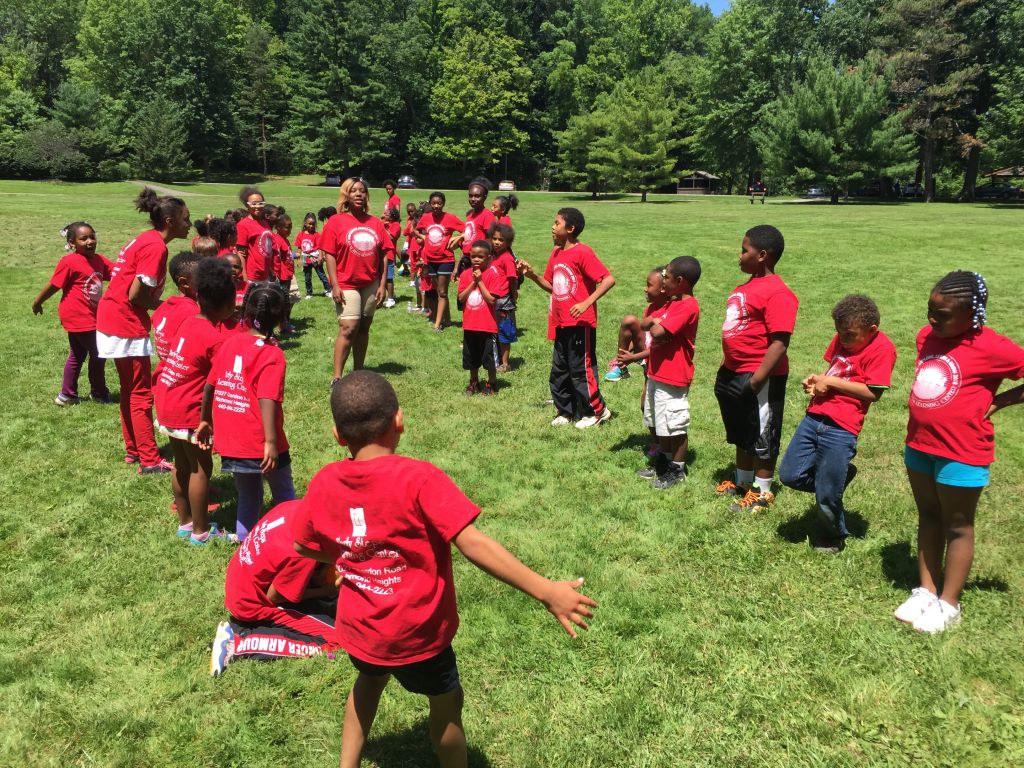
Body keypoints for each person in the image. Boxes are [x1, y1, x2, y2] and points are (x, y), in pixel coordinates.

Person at [291, 370, 597, 768]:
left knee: (368, 682)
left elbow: (303, 544)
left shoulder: (325, 481)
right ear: (399, 420)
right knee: (447, 703)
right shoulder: (418, 479)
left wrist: (352, 554)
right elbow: (473, 543)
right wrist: (546, 590)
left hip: (362, 630)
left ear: (337, 435)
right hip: (418, 634)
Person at [895, 271, 1024, 633]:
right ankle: (926, 590)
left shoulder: (993, 347)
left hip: (962, 450)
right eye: (930, 310)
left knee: (958, 525)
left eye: (943, 314)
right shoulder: (927, 336)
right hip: (920, 444)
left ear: (973, 315)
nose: (932, 319)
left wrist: (1000, 401)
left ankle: (949, 603)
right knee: (928, 515)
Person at [778, 295, 897, 554]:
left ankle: (831, 537)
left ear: (872, 330)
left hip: (842, 427)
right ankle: (836, 480)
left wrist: (830, 383)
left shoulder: (882, 349)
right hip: (815, 416)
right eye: (839, 333)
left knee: (827, 492)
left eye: (849, 335)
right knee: (790, 474)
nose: (842, 339)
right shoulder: (843, 337)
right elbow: (834, 371)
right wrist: (817, 381)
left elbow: (873, 393)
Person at [96, 187, 191, 473]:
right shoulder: (156, 247)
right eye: (186, 219)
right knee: (140, 393)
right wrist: (169, 306)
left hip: (112, 317)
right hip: (124, 321)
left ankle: (134, 450)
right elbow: (136, 295)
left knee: (129, 390)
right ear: (170, 222)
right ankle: (150, 460)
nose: (189, 224)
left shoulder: (146, 238)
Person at [198, 282, 296, 541]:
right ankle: (292, 542)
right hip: (262, 441)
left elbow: (209, 385)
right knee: (284, 492)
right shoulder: (273, 355)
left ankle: (245, 544)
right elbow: (267, 397)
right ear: (282, 317)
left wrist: (205, 420)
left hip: (233, 441)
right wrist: (271, 442)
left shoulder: (230, 343)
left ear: (247, 310)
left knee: (248, 494)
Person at [713, 224, 798, 512]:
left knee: (763, 432)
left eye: (744, 250)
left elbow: (779, 342)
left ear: (762, 255)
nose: (739, 255)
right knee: (742, 429)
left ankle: (762, 492)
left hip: (760, 376)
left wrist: (757, 380)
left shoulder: (778, 292)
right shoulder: (745, 287)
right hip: (733, 371)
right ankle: (743, 481)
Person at [154, 257, 238, 544]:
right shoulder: (215, 339)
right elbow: (219, 382)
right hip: (190, 410)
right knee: (201, 468)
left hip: (167, 402)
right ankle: (201, 532)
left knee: (181, 464)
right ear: (228, 305)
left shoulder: (189, 321)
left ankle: (186, 522)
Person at [210, 499, 338, 676]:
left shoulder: (295, 506)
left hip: (240, 580)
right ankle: (238, 642)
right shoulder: (305, 550)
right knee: (336, 638)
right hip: (251, 603)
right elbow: (275, 596)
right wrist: (330, 590)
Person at [520, 208, 615, 429]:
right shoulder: (556, 253)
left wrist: (586, 303)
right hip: (561, 320)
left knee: (581, 368)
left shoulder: (583, 252)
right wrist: (532, 275)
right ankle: (566, 411)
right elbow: (552, 286)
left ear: (570, 229)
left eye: (557, 223)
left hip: (580, 323)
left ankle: (597, 411)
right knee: (560, 369)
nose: (552, 227)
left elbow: (608, 280)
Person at [635, 257, 701, 490]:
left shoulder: (688, 306)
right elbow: (645, 325)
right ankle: (663, 462)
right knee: (659, 422)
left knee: (675, 425)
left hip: (674, 375)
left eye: (667, 276)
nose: (663, 280)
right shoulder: (672, 304)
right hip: (657, 372)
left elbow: (658, 332)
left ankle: (677, 470)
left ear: (680, 281)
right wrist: (656, 320)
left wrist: (656, 322)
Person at [32, 222, 114, 406]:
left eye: (92, 237)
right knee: (99, 352)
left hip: (91, 316)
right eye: (83, 239)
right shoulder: (70, 262)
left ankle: (67, 395)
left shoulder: (99, 260)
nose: (90, 241)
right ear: (72, 243)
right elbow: (54, 285)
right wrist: (38, 301)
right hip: (78, 316)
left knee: (77, 354)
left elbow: (117, 272)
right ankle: (99, 392)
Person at [320, 178, 393, 384]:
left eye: (362, 191)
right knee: (349, 327)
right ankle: (337, 377)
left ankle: (359, 371)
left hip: (370, 283)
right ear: (346, 195)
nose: (359, 194)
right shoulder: (336, 221)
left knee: (363, 328)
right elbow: (329, 254)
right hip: (346, 283)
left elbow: (384, 254)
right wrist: (334, 284)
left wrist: (381, 284)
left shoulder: (375, 223)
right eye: (353, 191)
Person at [457, 241, 504, 395]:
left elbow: (491, 300)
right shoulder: (465, 274)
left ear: (489, 258)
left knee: (489, 357)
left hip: (487, 326)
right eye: (473, 256)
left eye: (480, 257)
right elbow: (461, 298)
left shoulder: (492, 274)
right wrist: (473, 282)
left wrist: (480, 281)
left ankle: (492, 382)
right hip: (470, 324)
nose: (476, 259)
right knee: (471, 357)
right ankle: (474, 381)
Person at [606, 267, 667, 383]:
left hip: (660, 361)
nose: (645, 289)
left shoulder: (669, 312)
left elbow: (662, 348)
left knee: (630, 320)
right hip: (647, 357)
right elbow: (644, 336)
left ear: (663, 288)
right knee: (629, 321)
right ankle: (619, 366)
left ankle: (620, 365)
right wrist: (621, 357)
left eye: (649, 285)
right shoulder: (651, 308)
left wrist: (633, 357)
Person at [415, 192, 463, 331]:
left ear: (443, 204)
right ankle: (447, 320)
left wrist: (458, 238)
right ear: (430, 204)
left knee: (442, 292)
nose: (436, 206)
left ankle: (437, 324)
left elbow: (467, 229)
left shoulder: (450, 218)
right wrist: (423, 238)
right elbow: (416, 229)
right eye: (434, 203)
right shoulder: (426, 217)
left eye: (439, 203)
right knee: (439, 291)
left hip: (445, 259)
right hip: (430, 260)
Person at [151, 251, 201, 371]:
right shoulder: (192, 312)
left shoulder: (163, 307)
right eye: (202, 277)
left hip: (166, 372)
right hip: (186, 375)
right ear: (184, 282)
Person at [487, 223, 519, 372]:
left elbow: (512, 279)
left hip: (504, 301)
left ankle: (505, 363)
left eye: (501, 240)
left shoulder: (507, 258)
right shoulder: (492, 256)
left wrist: (514, 294)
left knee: (504, 331)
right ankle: (495, 358)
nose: (497, 242)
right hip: (492, 299)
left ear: (508, 242)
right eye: (494, 238)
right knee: (493, 330)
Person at [453, 179, 496, 280]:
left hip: (478, 262)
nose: (473, 199)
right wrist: (457, 266)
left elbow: (490, 241)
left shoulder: (487, 215)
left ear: (484, 197)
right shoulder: (470, 215)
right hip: (467, 260)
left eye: (477, 196)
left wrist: (483, 264)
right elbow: (467, 244)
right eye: (470, 196)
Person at [236, 187, 274, 281]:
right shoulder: (243, 225)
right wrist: (245, 279)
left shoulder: (265, 223)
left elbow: (267, 249)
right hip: (252, 277)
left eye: (260, 203)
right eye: (253, 204)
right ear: (247, 205)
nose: (257, 206)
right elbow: (241, 255)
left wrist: (270, 271)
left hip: (266, 276)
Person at [296, 212, 332, 299]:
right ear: (305, 223)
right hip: (305, 259)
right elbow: (299, 248)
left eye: (313, 224)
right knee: (307, 277)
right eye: (309, 224)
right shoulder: (301, 235)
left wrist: (320, 257)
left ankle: (328, 290)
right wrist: (299, 259)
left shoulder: (316, 235)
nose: (311, 226)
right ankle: (309, 293)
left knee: (321, 275)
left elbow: (320, 247)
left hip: (315, 258)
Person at [380, 207, 402, 308]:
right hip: (380, 254)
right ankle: (390, 294)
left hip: (389, 255)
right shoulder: (384, 224)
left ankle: (390, 299)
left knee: (388, 278)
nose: (384, 215)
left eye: (386, 214)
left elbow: (391, 237)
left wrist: (383, 227)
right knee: (381, 277)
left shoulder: (396, 225)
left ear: (392, 216)